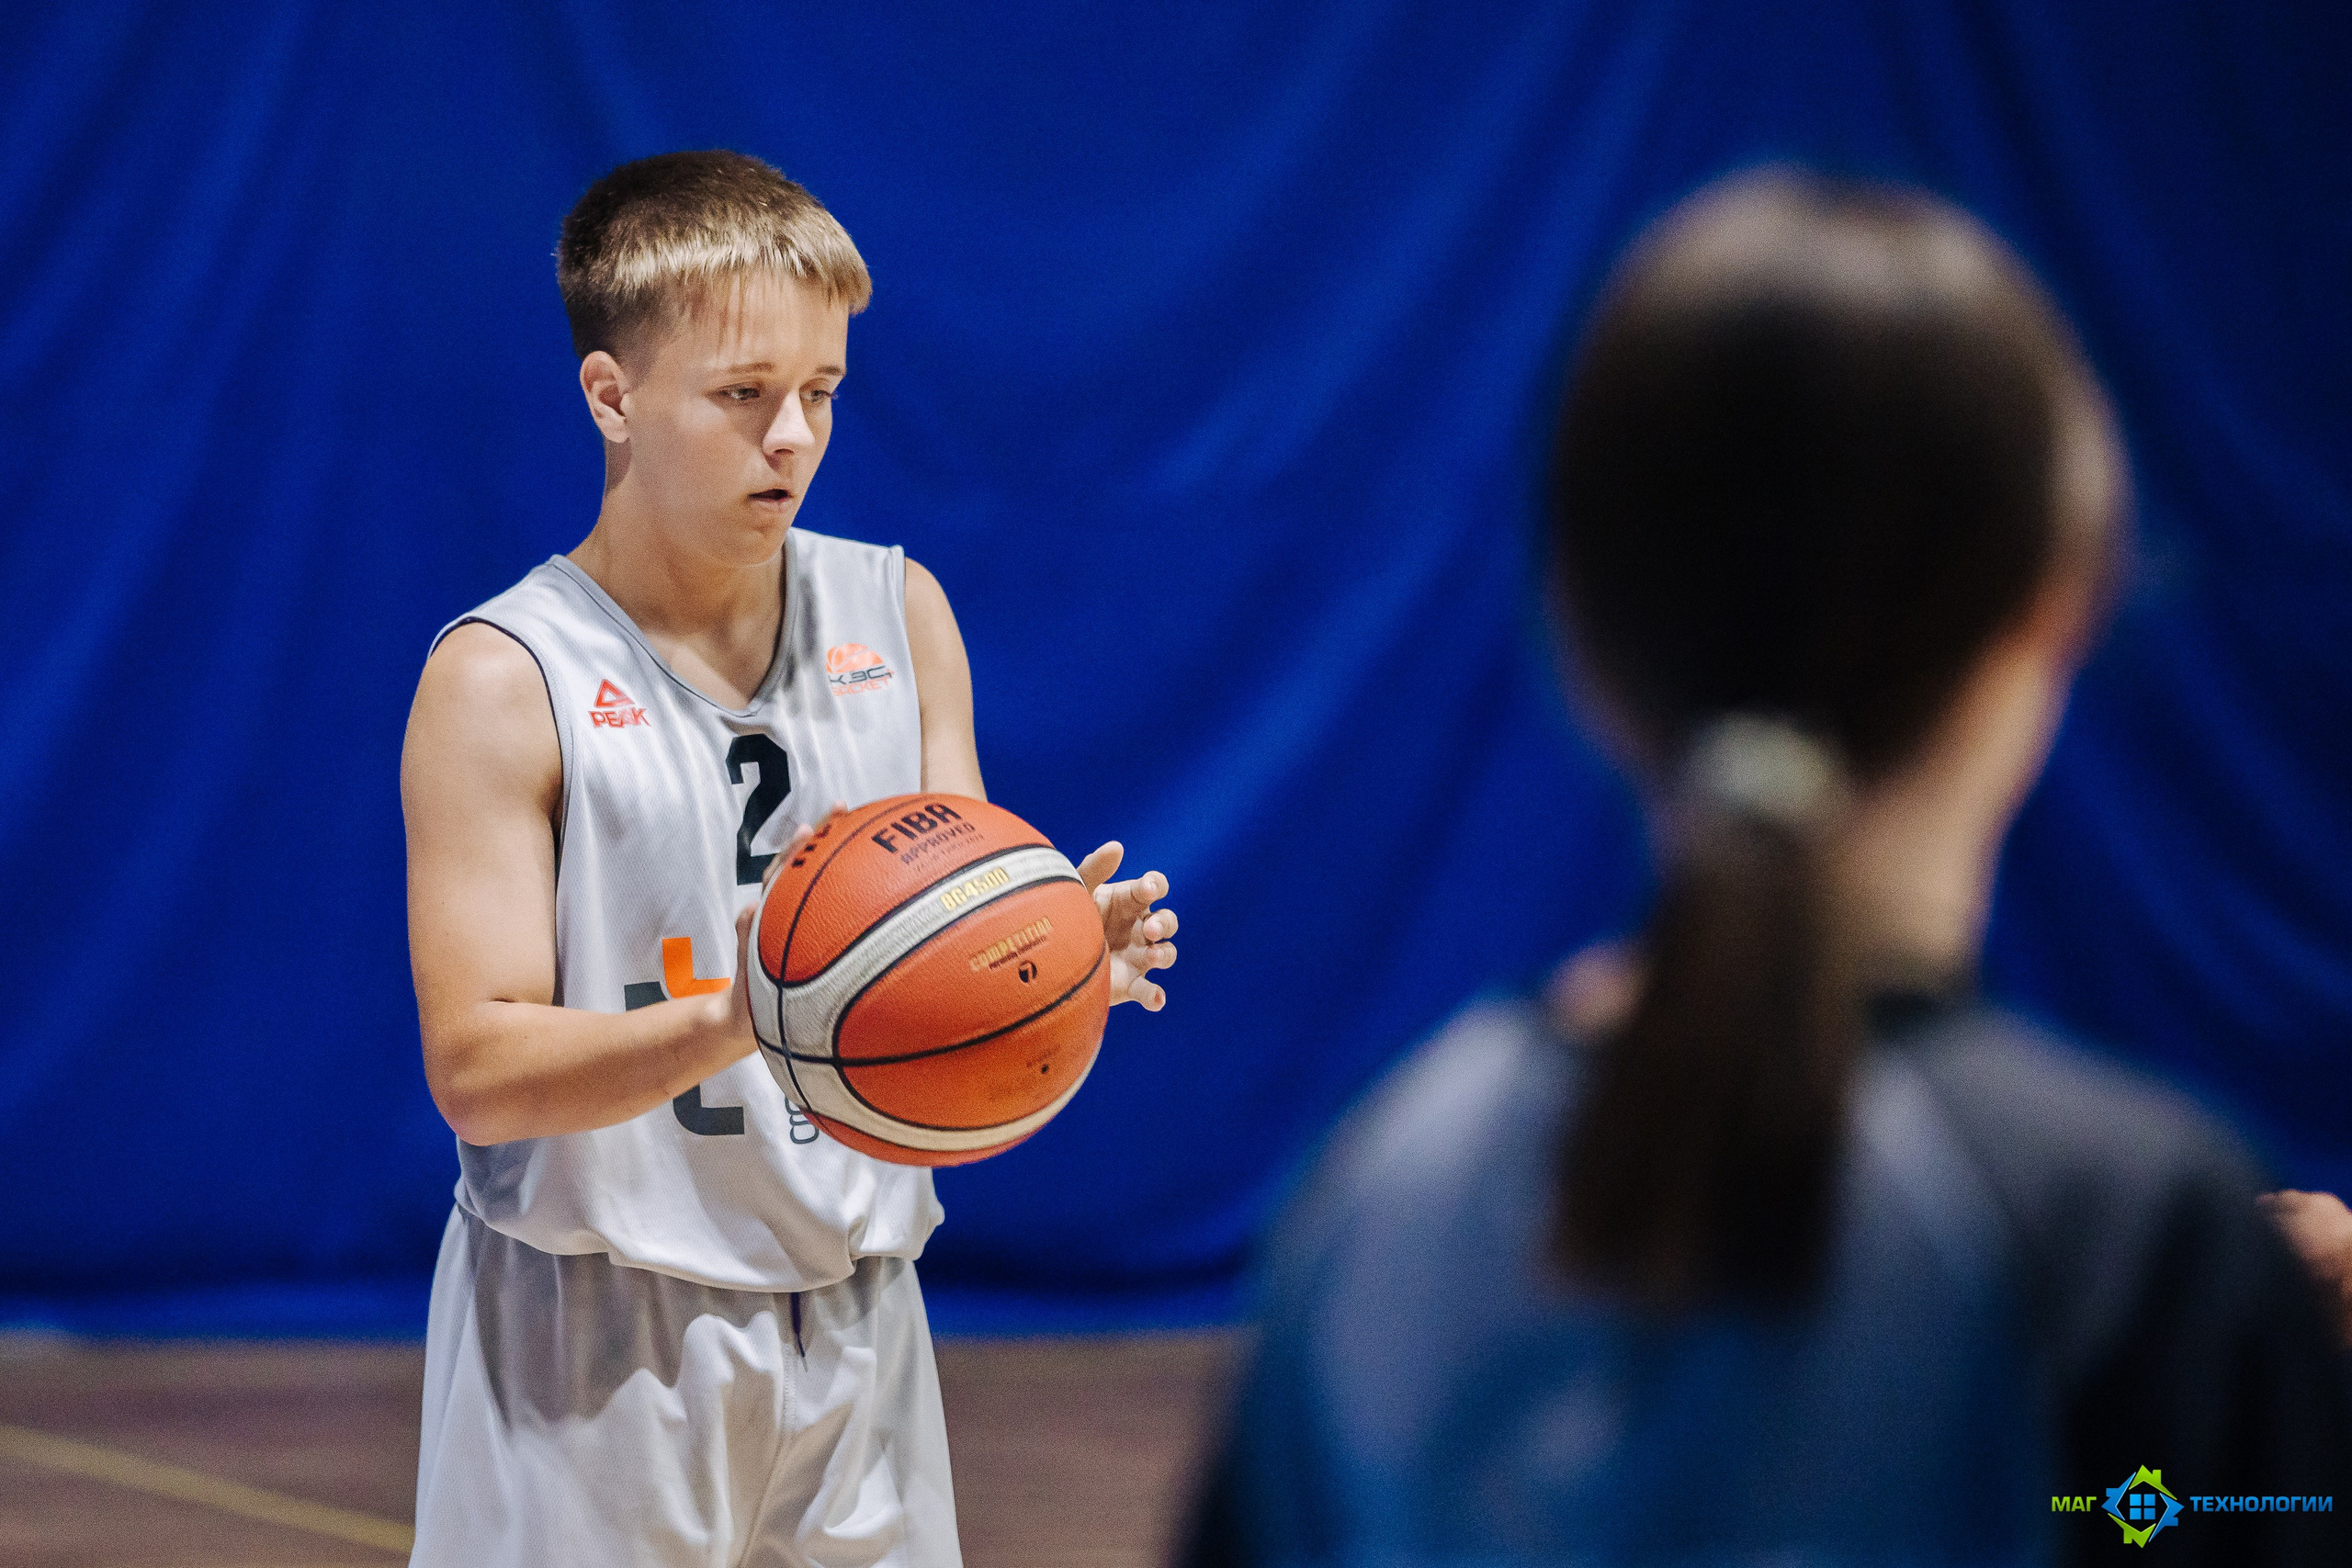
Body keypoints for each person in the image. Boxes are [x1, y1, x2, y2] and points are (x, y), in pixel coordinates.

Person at [1182, 172, 2350, 1566]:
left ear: (1584, 644)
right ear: (2059, 602)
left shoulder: (1371, 1204)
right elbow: (2175, 1515)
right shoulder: (2144, 1250)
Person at [400, 150, 1177, 1567]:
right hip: (597, 1336)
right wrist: (751, 1017)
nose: (795, 439)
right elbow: (480, 1070)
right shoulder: (506, 677)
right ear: (611, 397)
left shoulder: (900, 608)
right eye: (743, 395)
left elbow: (948, 933)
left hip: (861, 1316)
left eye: (821, 391)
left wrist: (1051, 961)